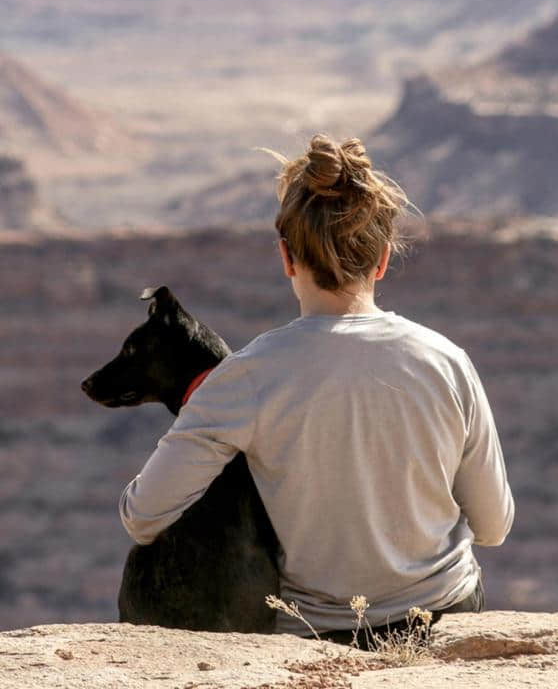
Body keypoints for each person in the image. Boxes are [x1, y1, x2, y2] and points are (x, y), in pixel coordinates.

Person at [120, 134, 514, 641]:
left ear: (286, 256)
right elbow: (494, 527)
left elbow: (142, 515)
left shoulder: (245, 377)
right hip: (444, 616)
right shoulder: (447, 362)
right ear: (383, 259)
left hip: (319, 633)